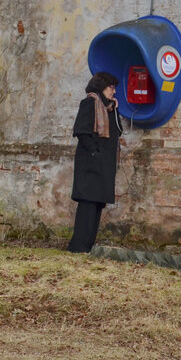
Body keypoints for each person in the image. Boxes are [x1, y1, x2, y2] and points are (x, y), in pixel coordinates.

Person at [67, 71, 122, 253]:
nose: (114, 91)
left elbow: (119, 131)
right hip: (91, 163)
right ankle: (78, 247)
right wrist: (95, 153)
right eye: (111, 87)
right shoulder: (90, 103)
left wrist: (114, 109)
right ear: (100, 86)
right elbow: (81, 131)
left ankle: (87, 246)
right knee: (88, 204)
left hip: (104, 163)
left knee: (97, 204)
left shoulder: (109, 109)